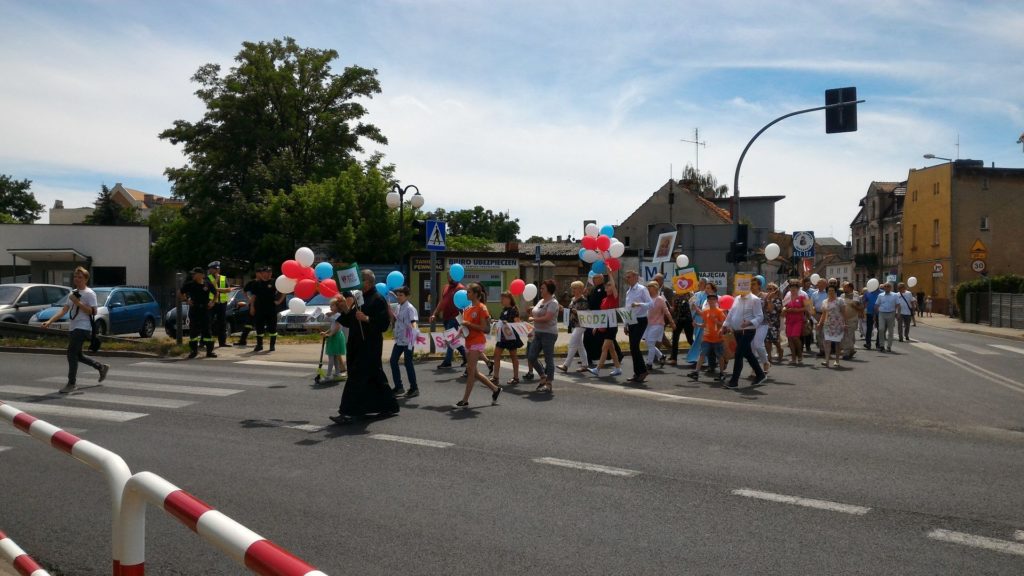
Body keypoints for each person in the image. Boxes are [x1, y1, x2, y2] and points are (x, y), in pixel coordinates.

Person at [330, 270, 399, 425]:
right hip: (357, 343)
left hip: (369, 345)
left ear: (369, 282)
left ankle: (347, 413)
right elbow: (350, 320)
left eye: (361, 280)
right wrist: (344, 309)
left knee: (355, 378)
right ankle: (389, 405)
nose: (359, 283)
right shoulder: (359, 297)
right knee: (375, 376)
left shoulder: (378, 299)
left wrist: (367, 318)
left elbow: (383, 324)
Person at [42, 266, 109, 393]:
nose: (77, 279)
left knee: (71, 354)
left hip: (83, 327)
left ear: (86, 279)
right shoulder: (72, 293)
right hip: (73, 327)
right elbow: (64, 310)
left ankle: (71, 383)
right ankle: (101, 367)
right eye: (75, 276)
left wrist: (77, 302)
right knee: (78, 355)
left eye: (80, 277)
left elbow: (93, 311)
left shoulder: (89, 293)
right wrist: (50, 321)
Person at [455, 283, 502, 408]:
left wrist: (468, 324)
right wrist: (455, 337)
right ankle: (495, 389)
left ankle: (465, 400)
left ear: (476, 294)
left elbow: (485, 329)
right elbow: (465, 328)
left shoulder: (482, 308)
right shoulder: (467, 309)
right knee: (474, 372)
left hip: (477, 342)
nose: (466, 294)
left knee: (470, 371)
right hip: (468, 342)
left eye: (469, 292)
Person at [723, 287, 767, 388]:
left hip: (748, 331)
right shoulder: (737, 298)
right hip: (737, 331)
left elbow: (760, 316)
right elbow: (731, 313)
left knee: (738, 353)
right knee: (748, 354)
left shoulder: (755, 299)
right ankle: (760, 374)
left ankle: (734, 381)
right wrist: (725, 325)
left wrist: (749, 322)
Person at [527, 279, 560, 392]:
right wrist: (532, 326)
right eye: (540, 288)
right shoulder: (541, 301)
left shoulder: (553, 303)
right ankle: (542, 376)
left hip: (549, 333)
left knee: (548, 358)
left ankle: (549, 383)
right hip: (538, 332)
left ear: (549, 290)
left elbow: (547, 318)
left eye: (542, 288)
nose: (540, 290)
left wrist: (533, 319)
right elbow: (535, 313)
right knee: (531, 356)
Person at [430, 273, 467, 369]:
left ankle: (447, 362)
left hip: (455, 318)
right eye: (449, 276)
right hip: (446, 317)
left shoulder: (460, 288)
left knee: (449, 339)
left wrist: (464, 318)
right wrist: (435, 313)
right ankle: (466, 357)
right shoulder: (446, 287)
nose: (450, 278)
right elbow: (441, 302)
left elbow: (464, 304)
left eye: (452, 276)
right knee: (453, 339)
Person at [589, 272, 623, 377]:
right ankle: (618, 368)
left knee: (604, 348)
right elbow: (602, 315)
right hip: (605, 325)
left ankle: (597, 369)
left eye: (609, 287)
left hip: (612, 326)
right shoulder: (604, 300)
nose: (607, 288)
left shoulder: (615, 297)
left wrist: (610, 273)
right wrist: (597, 325)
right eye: (607, 287)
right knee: (611, 349)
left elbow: (613, 284)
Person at [180, 267, 217, 359]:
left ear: (201, 275)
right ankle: (194, 351)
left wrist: (212, 302)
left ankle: (209, 351)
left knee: (207, 331)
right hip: (194, 310)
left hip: (205, 310)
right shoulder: (190, 284)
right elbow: (180, 292)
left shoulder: (207, 284)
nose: (193, 275)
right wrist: (187, 300)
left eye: (194, 273)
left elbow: (216, 293)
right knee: (194, 331)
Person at [687, 293, 726, 382]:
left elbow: (724, 324)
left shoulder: (720, 312)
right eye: (709, 299)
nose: (711, 301)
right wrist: (697, 324)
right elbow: (705, 324)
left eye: (713, 299)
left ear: (716, 301)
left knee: (719, 356)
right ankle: (696, 372)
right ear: (707, 301)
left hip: (717, 338)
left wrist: (717, 322)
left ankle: (722, 373)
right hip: (707, 338)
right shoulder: (706, 311)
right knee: (702, 354)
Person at [388, 286, 419, 397]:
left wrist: (415, 331)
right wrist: (389, 310)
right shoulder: (398, 307)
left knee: (408, 363)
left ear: (407, 296)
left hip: (408, 340)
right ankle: (399, 387)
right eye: (397, 295)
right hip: (399, 339)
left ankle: (414, 388)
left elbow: (413, 321)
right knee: (393, 361)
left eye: (401, 295)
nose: (398, 297)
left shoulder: (410, 308)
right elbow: (396, 319)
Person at [247, 265, 284, 353]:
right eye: (267, 272)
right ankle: (259, 345)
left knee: (272, 328)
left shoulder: (275, 282)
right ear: (262, 273)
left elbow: (283, 291)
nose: (269, 274)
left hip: (271, 309)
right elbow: (253, 296)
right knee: (259, 328)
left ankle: (272, 345)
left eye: (270, 272)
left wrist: (279, 301)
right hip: (259, 309)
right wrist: (252, 307)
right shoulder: (256, 283)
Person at [622, 270, 651, 383]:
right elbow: (627, 308)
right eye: (627, 277)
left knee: (634, 345)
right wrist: (625, 324)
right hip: (631, 320)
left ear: (635, 277)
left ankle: (643, 371)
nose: (627, 279)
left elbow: (650, 304)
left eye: (629, 277)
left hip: (641, 319)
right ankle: (637, 373)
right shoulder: (628, 291)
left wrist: (639, 304)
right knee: (632, 347)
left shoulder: (642, 289)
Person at [492, 291, 523, 385]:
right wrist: (496, 321)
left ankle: (516, 377)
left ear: (509, 299)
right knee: (496, 355)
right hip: (502, 336)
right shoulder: (504, 310)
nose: (501, 300)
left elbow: (518, 324)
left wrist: (508, 324)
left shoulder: (514, 310)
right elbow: (501, 321)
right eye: (501, 298)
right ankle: (495, 377)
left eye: (503, 298)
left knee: (513, 357)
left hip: (511, 336)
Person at [558, 281, 590, 374]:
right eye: (572, 288)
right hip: (574, 324)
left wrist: (573, 311)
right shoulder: (573, 299)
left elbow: (583, 313)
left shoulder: (583, 300)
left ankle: (566, 365)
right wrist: (563, 309)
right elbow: (570, 311)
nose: (573, 290)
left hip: (581, 324)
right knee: (580, 346)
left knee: (572, 343)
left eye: (575, 288)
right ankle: (585, 365)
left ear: (580, 289)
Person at [643, 280, 673, 369]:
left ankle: (649, 364)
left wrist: (672, 322)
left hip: (657, 324)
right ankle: (661, 356)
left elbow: (666, 312)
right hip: (649, 325)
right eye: (647, 287)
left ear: (655, 288)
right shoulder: (648, 299)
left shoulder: (660, 299)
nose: (648, 288)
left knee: (651, 343)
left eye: (650, 287)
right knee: (648, 343)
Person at [817, 285, 846, 368]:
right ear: (827, 292)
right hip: (828, 324)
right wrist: (820, 323)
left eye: (832, 290)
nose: (831, 292)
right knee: (827, 342)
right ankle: (826, 360)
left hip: (838, 324)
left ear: (835, 291)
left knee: (837, 343)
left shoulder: (840, 300)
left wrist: (844, 323)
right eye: (829, 291)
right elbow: (823, 314)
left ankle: (837, 360)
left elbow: (843, 312)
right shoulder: (824, 301)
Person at [783, 280, 811, 365]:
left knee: (795, 337)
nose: (793, 289)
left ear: (798, 289)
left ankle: (800, 355)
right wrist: (785, 309)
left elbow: (808, 308)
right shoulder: (787, 298)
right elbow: (783, 307)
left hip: (798, 320)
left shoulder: (802, 296)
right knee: (790, 338)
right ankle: (793, 358)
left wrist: (797, 310)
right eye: (791, 288)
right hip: (789, 320)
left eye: (795, 288)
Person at [320, 298, 348, 381]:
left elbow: (337, 327)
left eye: (332, 305)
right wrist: (326, 332)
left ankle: (328, 375)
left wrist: (329, 335)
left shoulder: (338, 315)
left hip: (336, 337)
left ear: (337, 306)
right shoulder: (334, 315)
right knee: (335, 356)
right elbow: (332, 326)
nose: (330, 307)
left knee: (331, 357)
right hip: (334, 336)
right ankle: (337, 373)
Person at [206, 261, 233, 348]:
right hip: (212, 303)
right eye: (215, 269)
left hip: (222, 303)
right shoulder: (207, 278)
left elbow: (228, 290)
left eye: (218, 268)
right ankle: (204, 342)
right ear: (211, 270)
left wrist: (217, 289)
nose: (217, 270)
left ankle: (222, 342)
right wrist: (216, 281)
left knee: (222, 323)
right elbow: (209, 289)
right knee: (208, 322)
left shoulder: (223, 278)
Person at [749, 277, 771, 375]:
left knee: (757, 344)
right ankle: (755, 368)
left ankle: (765, 363)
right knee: (752, 347)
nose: (751, 286)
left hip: (762, 323)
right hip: (750, 324)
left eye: (753, 284)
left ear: (759, 285)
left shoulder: (765, 295)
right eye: (750, 284)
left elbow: (770, 309)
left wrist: (769, 300)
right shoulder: (747, 296)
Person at [686, 279, 709, 366]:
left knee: (703, 340)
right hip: (697, 319)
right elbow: (691, 306)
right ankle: (698, 359)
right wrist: (692, 303)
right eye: (700, 283)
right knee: (697, 339)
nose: (700, 285)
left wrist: (698, 308)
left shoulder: (709, 295)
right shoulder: (696, 294)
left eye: (702, 283)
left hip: (705, 320)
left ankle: (702, 359)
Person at [668, 290, 694, 366]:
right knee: (675, 339)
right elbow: (674, 310)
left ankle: (699, 355)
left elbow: (691, 308)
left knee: (690, 339)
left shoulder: (690, 296)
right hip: (678, 320)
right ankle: (674, 358)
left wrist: (688, 297)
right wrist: (672, 307)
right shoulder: (676, 298)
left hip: (688, 321)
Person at [839, 282, 862, 360]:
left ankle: (846, 353)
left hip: (852, 318)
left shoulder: (855, 296)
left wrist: (854, 305)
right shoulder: (842, 296)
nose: (844, 288)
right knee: (847, 336)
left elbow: (859, 307)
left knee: (847, 335)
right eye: (843, 287)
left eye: (845, 287)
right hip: (843, 318)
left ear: (850, 288)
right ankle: (851, 350)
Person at [874, 282, 899, 353]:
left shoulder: (895, 295)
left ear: (890, 288)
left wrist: (898, 313)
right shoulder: (880, 295)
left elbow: (898, 305)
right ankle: (881, 345)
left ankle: (889, 346)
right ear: (884, 288)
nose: (887, 287)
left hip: (891, 313)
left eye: (888, 286)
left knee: (890, 331)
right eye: (885, 286)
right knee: (881, 329)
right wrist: (875, 315)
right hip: (882, 313)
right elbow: (876, 305)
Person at [763, 283, 784, 364]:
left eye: (770, 289)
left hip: (774, 322)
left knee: (774, 340)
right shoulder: (765, 298)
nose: (769, 291)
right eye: (768, 289)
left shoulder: (778, 300)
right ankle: (769, 356)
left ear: (775, 291)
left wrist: (769, 300)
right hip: (766, 321)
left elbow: (771, 310)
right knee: (767, 340)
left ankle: (780, 349)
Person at [862, 283, 881, 350]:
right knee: (869, 328)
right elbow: (863, 302)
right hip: (869, 313)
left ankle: (878, 344)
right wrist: (863, 311)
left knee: (880, 329)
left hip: (879, 313)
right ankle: (868, 343)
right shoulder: (867, 292)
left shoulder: (882, 292)